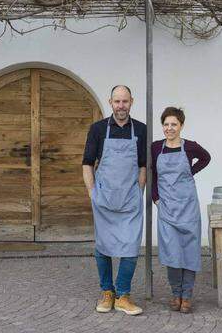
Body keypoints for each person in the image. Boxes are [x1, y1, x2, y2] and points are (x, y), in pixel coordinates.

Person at [82, 85, 147, 316]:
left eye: (125, 101)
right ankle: (107, 292)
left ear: (132, 101)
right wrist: (92, 193)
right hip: (104, 199)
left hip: (130, 200)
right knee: (103, 247)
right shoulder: (98, 129)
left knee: (130, 248)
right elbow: (87, 163)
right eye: (117, 101)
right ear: (110, 102)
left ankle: (123, 295)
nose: (121, 106)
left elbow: (143, 165)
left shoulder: (141, 129)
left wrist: (138, 192)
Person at [152, 107, 211, 314]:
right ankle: (175, 293)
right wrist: (155, 198)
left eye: (174, 124)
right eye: (166, 124)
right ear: (163, 126)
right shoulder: (156, 148)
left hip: (188, 208)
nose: (169, 128)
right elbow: (152, 175)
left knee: (190, 252)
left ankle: (187, 296)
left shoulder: (191, 147)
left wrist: (190, 173)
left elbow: (206, 158)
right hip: (167, 209)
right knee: (172, 253)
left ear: (181, 126)